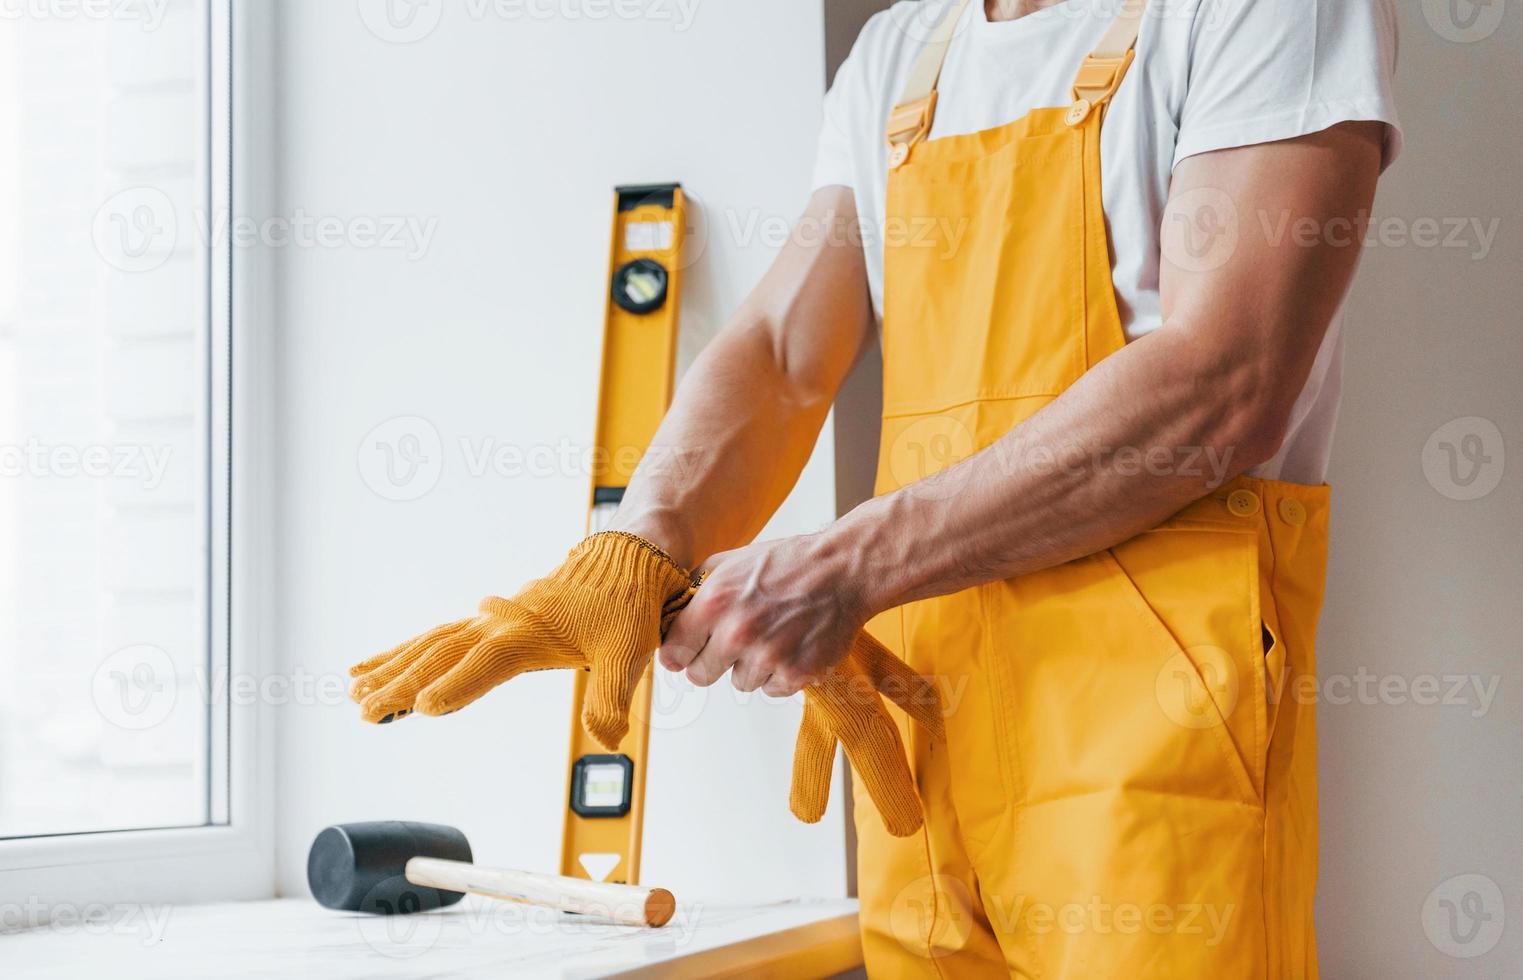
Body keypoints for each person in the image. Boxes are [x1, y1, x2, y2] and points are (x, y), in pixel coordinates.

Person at [350, 0, 1401, 974]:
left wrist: (843, 563)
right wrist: (640, 539)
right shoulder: (906, 56)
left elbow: (1223, 378)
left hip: (1154, 733)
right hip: (922, 737)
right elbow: (779, 352)